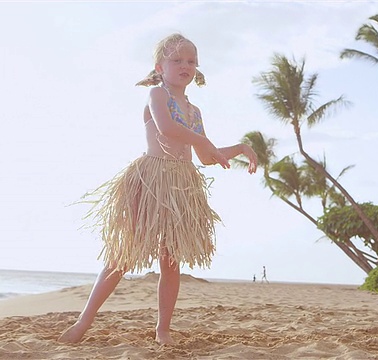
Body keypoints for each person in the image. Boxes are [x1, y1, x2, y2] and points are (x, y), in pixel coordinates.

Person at [58, 33, 258, 345]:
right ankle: (84, 322)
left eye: (191, 61)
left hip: (181, 186)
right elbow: (166, 128)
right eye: (176, 60)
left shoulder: (195, 112)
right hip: (151, 181)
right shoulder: (157, 96)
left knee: (170, 260)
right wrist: (202, 140)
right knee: (123, 255)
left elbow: (206, 157)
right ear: (159, 67)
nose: (185, 65)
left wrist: (240, 147)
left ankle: (162, 329)